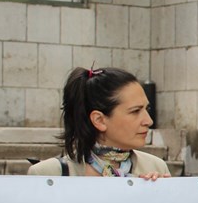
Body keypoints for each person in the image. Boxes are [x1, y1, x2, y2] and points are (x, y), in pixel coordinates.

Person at [28, 67, 170, 178]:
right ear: (99, 120)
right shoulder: (48, 174)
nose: (148, 121)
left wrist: (163, 195)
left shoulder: (156, 167)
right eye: (135, 111)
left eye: (147, 109)